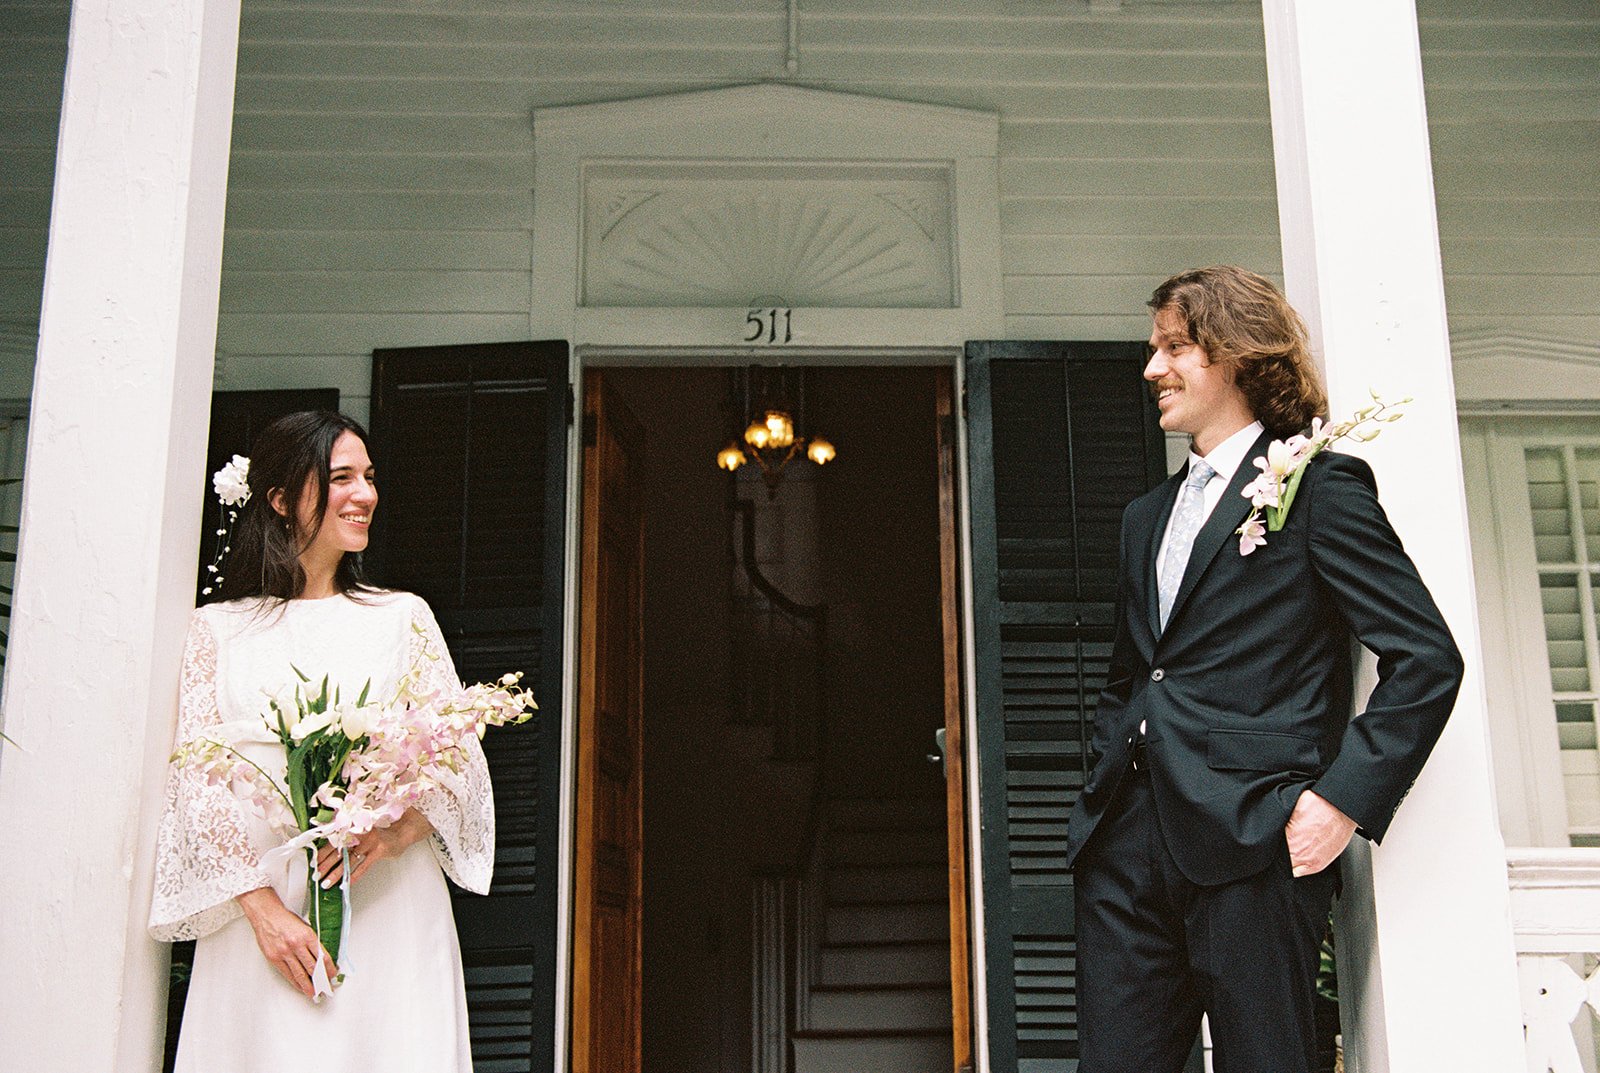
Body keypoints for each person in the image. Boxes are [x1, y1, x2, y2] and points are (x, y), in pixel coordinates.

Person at [1063, 266, 1463, 1073]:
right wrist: (1105, 781)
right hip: (1128, 840)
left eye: (1175, 347)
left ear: (1238, 355)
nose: (1152, 369)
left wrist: (1339, 801)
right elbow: (1132, 674)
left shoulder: (1319, 488)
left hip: (1255, 836)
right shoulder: (1145, 516)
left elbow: (1426, 656)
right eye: (1154, 349)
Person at [149, 410, 493, 1072]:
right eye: (340, 477)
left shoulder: (403, 617)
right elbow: (194, 780)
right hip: (262, 916)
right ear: (280, 498)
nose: (364, 493)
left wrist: (390, 833)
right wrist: (262, 910)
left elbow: (458, 763)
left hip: (386, 900)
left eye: (368, 476)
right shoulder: (213, 631)